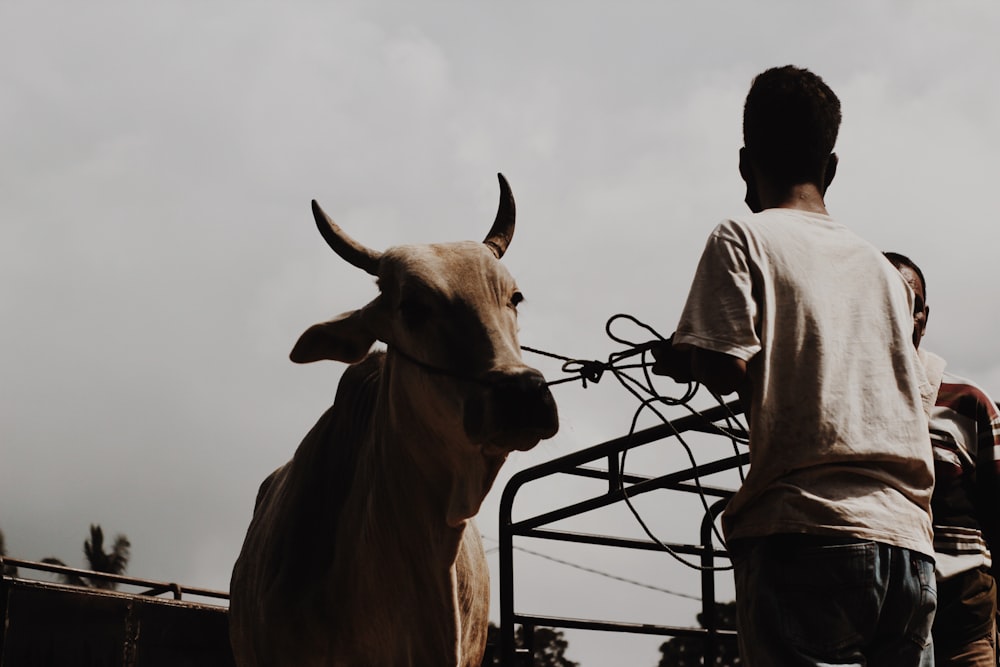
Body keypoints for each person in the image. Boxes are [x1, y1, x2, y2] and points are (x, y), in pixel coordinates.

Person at [652, 65, 937, 665]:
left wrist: (683, 355)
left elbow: (727, 365)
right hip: (911, 547)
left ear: (743, 162)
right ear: (830, 168)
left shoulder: (743, 237)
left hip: (807, 535)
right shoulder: (887, 274)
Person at [886, 251, 1000, 666]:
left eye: (910, 305)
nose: (899, 317)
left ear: (924, 316)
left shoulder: (968, 402)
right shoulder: (854, 400)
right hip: (887, 605)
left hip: (961, 601)